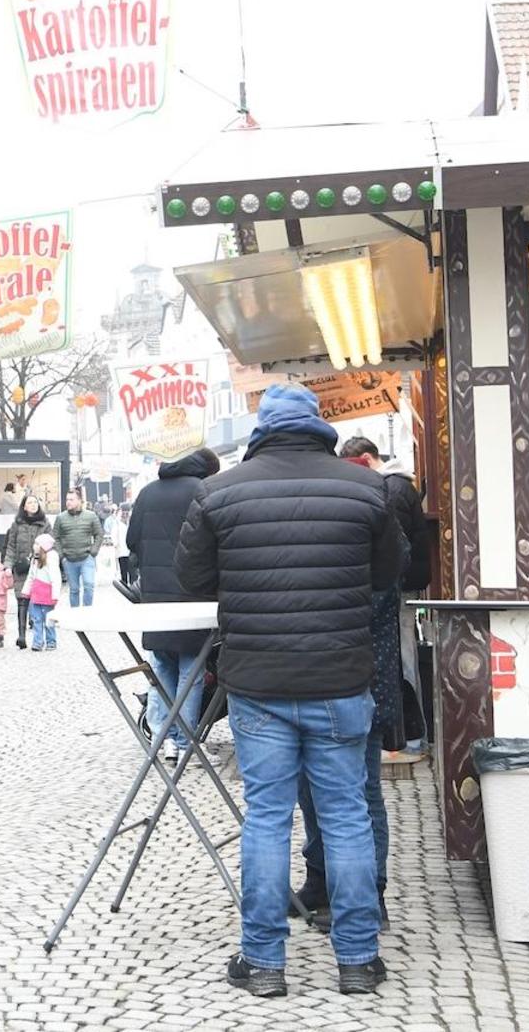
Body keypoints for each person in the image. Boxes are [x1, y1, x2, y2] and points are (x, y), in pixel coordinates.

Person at [176, 382, 403, 998]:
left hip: (258, 682)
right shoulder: (366, 487)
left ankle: (264, 963)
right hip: (340, 677)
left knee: (267, 819)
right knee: (348, 816)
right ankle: (357, 961)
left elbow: (193, 577)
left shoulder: (218, 492)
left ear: (260, 429)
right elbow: (388, 573)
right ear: (320, 426)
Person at [291, 435, 421, 929]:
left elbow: (384, 584)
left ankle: (370, 896)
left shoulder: (373, 511)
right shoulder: (347, 510)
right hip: (329, 668)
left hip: (360, 671)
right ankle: (321, 881)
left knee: (359, 791)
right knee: (310, 789)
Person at [126, 448, 220, 767]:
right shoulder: (201, 490)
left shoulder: (147, 492)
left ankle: (162, 738)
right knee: (191, 672)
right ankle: (184, 742)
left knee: (161, 667)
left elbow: (131, 540)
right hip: (193, 595)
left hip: (155, 597)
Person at [3, 496, 48, 649]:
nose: (33, 505)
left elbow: (50, 544)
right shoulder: (16, 525)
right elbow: (10, 546)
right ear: (24, 506)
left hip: (39, 567)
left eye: (35, 502)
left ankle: (37, 636)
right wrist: (8, 566)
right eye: (29, 502)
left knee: (36, 602)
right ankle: (21, 636)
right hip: (21, 568)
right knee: (22, 600)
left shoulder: (45, 524)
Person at [52, 490, 104, 607]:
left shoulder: (91, 516)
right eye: (67, 499)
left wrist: (93, 551)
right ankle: (75, 617)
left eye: (71, 499)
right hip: (69, 559)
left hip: (87, 558)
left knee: (89, 585)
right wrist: (61, 556)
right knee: (74, 590)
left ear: (79, 501)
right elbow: (55, 537)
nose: (68, 502)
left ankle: (86, 614)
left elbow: (99, 534)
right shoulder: (61, 518)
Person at [25, 534, 61, 650]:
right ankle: (37, 642)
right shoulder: (35, 559)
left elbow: (55, 578)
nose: (34, 546)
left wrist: (55, 595)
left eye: (37, 544)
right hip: (36, 594)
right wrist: (26, 590)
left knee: (48, 620)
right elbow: (31, 576)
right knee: (36, 619)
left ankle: (51, 641)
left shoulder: (51, 559)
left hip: (47, 593)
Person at [99, 501, 128, 589]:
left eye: (127, 511)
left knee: (132, 571)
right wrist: (115, 544)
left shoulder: (132, 521)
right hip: (121, 550)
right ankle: (125, 586)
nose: (125, 514)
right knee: (123, 570)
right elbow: (113, 535)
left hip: (131, 551)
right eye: (123, 511)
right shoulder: (117, 523)